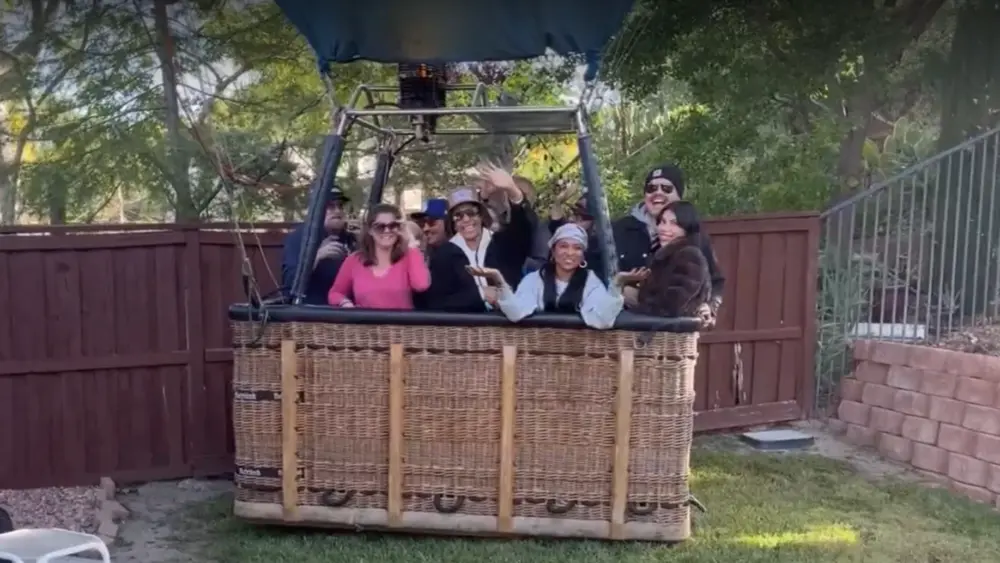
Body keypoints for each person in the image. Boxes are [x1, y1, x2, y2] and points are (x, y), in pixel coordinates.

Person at [467, 223, 648, 329]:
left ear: (583, 255)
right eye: (564, 246)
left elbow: (602, 319)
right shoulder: (534, 280)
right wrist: (498, 279)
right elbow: (516, 312)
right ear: (553, 251)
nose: (570, 253)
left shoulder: (590, 282)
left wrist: (618, 284)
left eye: (577, 248)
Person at [612, 163, 724, 310]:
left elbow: (716, 281)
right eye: (651, 188)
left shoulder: (696, 236)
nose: (658, 193)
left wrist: (710, 309)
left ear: (679, 195)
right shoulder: (619, 229)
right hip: (622, 324)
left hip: (672, 326)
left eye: (666, 188)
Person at [424, 164, 533, 312]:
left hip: (509, 329)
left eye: (471, 212)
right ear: (453, 223)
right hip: (466, 332)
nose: (466, 219)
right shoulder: (444, 255)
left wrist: (512, 190)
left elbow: (524, 227)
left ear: (481, 216)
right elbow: (437, 302)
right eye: (458, 215)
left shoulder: (503, 243)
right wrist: (480, 294)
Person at [327, 203, 430, 310]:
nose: (387, 231)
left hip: (401, 325)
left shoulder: (408, 256)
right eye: (380, 227)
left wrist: (411, 242)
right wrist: (345, 303)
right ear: (370, 230)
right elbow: (335, 293)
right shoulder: (355, 260)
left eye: (393, 226)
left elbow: (421, 285)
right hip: (366, 324)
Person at [634, 201, 717, 326]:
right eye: (662, 222)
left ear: (686, 228)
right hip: (662, 335)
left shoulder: (689, 256)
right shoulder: (665, 255)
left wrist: (634, 299)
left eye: (674, 223)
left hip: (673, 338)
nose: (664, 229)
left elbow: (671, 307)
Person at [281, 186, 357, 305]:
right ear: (316, 210)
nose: (337, 211)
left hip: (345, 312)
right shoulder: (300, 237)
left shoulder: (350, 240)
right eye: (330, 206)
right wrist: (315, 258)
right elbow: (289, 283)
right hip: (310, 312)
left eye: (340, 206)